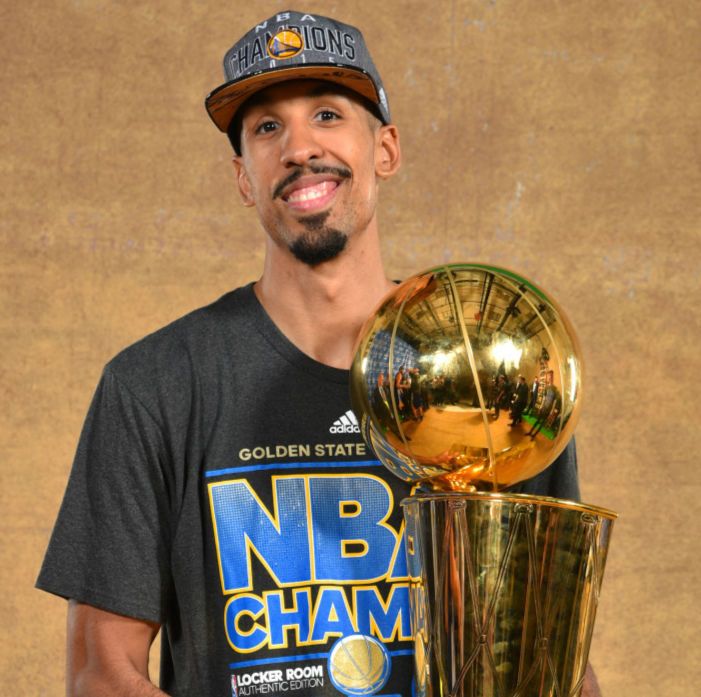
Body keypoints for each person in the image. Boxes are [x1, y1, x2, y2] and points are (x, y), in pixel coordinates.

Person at [36, 10, 598, 697]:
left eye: (327, 115)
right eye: (267, 127)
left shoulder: (495, 368)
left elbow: (553, 658)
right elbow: (100, 672)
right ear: (243, 178)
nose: (299, 147)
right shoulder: (155, 384)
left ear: (386, 149)